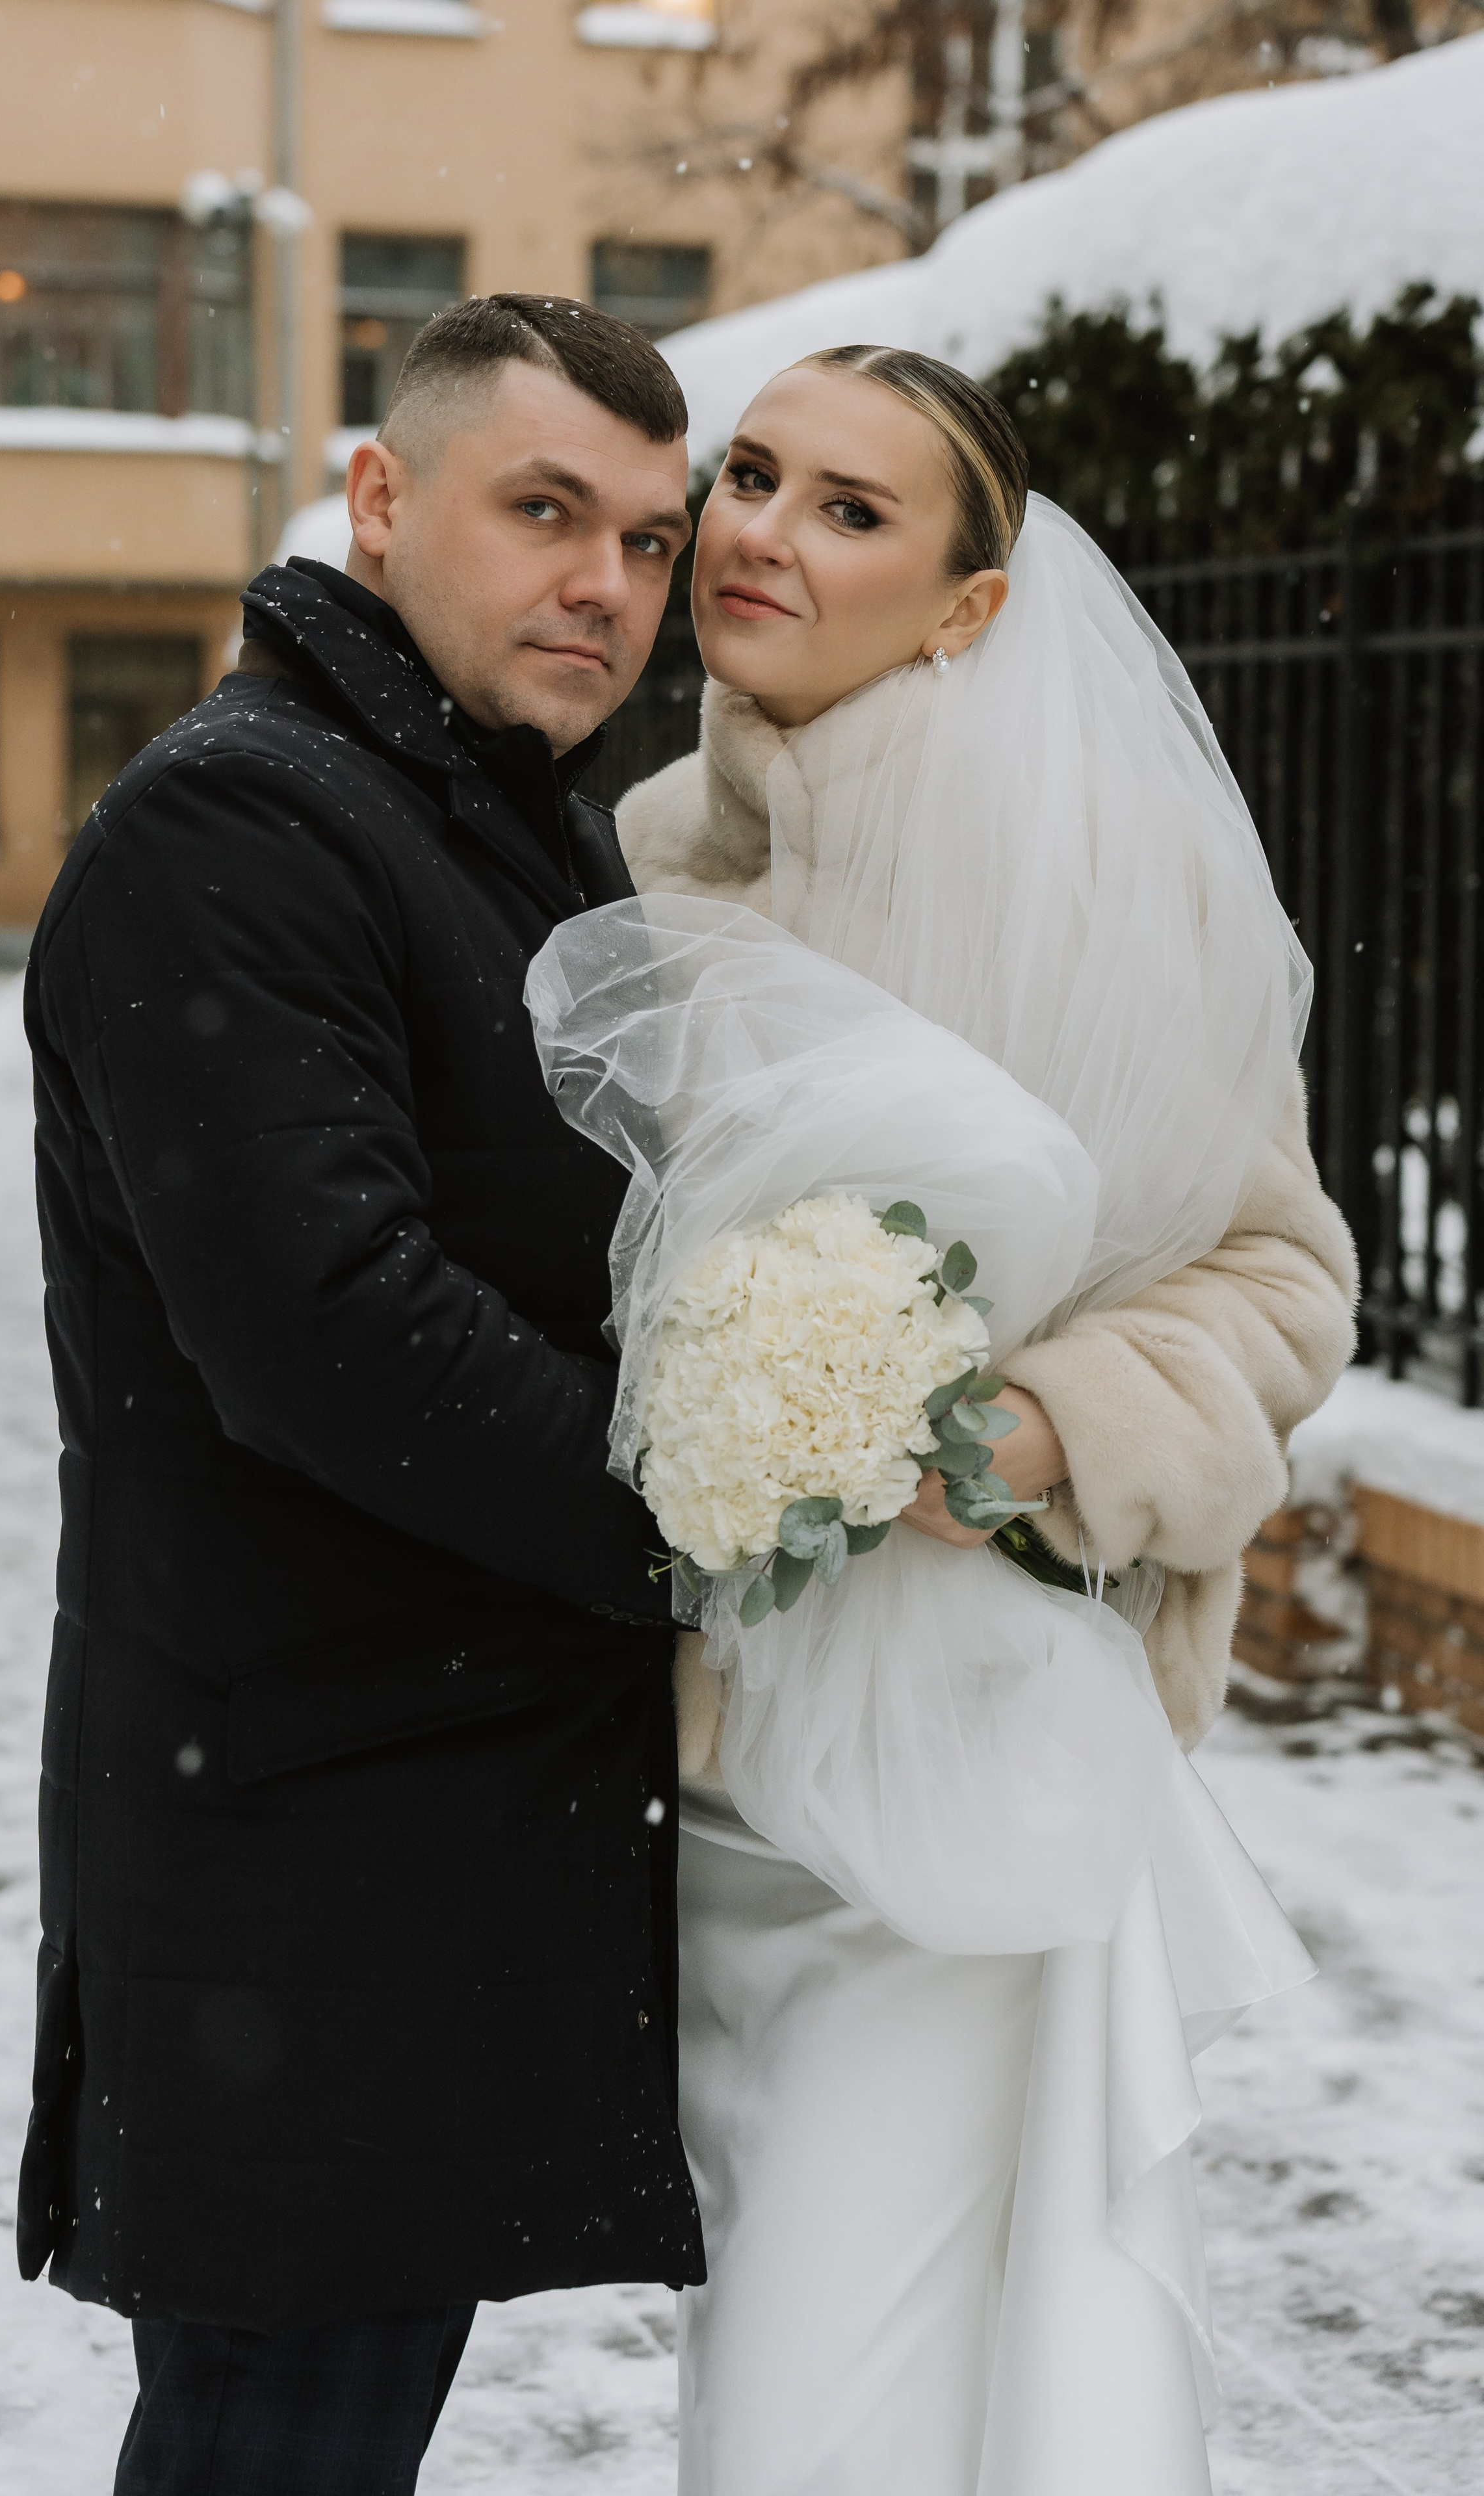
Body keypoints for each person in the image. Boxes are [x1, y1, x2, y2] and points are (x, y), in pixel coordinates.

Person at [603, 347, 1359, 2492]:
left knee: (821, 2400)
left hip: (958, 1757)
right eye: (750, 476)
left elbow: (1282, 1274)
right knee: (777, 2339)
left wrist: (1031, 1431)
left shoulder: (1100, 872)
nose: (761, 530)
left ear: (966, 605)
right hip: (693, 1759)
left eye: (852, 510)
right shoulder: (650, 852)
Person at [16, 295, 705, 2495]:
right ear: (381, 501)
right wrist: (717, 1521)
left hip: (412, 1820)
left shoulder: (497, 817)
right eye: (544, 511)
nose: (605, 581)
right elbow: (329, 1324)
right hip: (298, 1846)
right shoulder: (244, 830)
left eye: (651, 539)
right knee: (273, 2437)